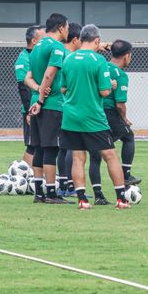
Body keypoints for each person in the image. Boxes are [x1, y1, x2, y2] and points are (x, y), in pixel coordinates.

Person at [59, 25, 129, 210]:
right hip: (93, 117)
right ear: (97, 40)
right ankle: (121, 198)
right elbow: (104, 91)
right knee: (111, 156)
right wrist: (112, 85)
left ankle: (82, 200)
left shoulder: (68, 59)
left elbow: (63, 89)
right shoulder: (99, 61)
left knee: (78, 158)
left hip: (71, 117)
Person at [87, 39, 140, 205]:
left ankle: (98, 195)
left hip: (94, 112)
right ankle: (126, 174)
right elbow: (120, 104)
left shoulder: (100, 65)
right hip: (110, 113)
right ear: (127, 56)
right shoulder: (120, 74)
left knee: (95, 154)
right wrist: (125, 119)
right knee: (128, 136)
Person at [26, 14, 70, 204]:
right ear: (61, 27)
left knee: (38, 148)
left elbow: (28, 77)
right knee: (51, 148)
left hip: (35, 103)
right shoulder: (57, 47)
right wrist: (43, 100)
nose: (68, 31)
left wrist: (37, 95)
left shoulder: (36, 47)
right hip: (50, 105)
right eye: (67, 27)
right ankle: (51, 194)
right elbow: (50, 73)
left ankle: (38, 193)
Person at [56, 22, 82, 196]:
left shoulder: (59, 52)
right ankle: (71, 185)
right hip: (68, 106)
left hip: (57, 105)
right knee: (72, 147)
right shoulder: (69, 57)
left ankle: (63, 183)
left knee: (62, 147)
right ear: (75, 40)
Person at [15, 25, 44, 173]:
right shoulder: (24, 58)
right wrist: (29, 111)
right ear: (34, 40)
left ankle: (37, 177)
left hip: (41, 106)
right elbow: (23, 87)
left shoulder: (38, 57)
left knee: (40, 144)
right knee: (32, 145)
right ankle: (25, 176)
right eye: (42, 38)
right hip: (31, 108)